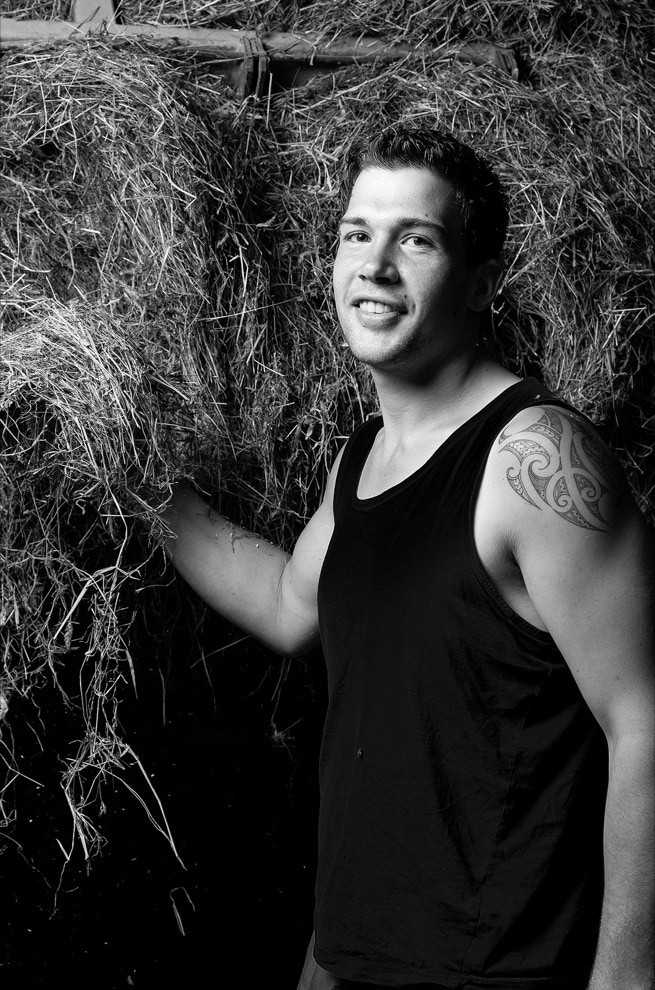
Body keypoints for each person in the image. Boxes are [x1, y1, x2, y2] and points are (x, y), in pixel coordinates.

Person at [161, 125, 654, 989]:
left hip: (495, 973)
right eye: (357, 234)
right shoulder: (362, 458)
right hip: (354, 962)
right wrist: (147, 492)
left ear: (481, 282)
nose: (375, 265)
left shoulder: (533, 459)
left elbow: (644, 723)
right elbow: (285, 606)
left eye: (415, 240)